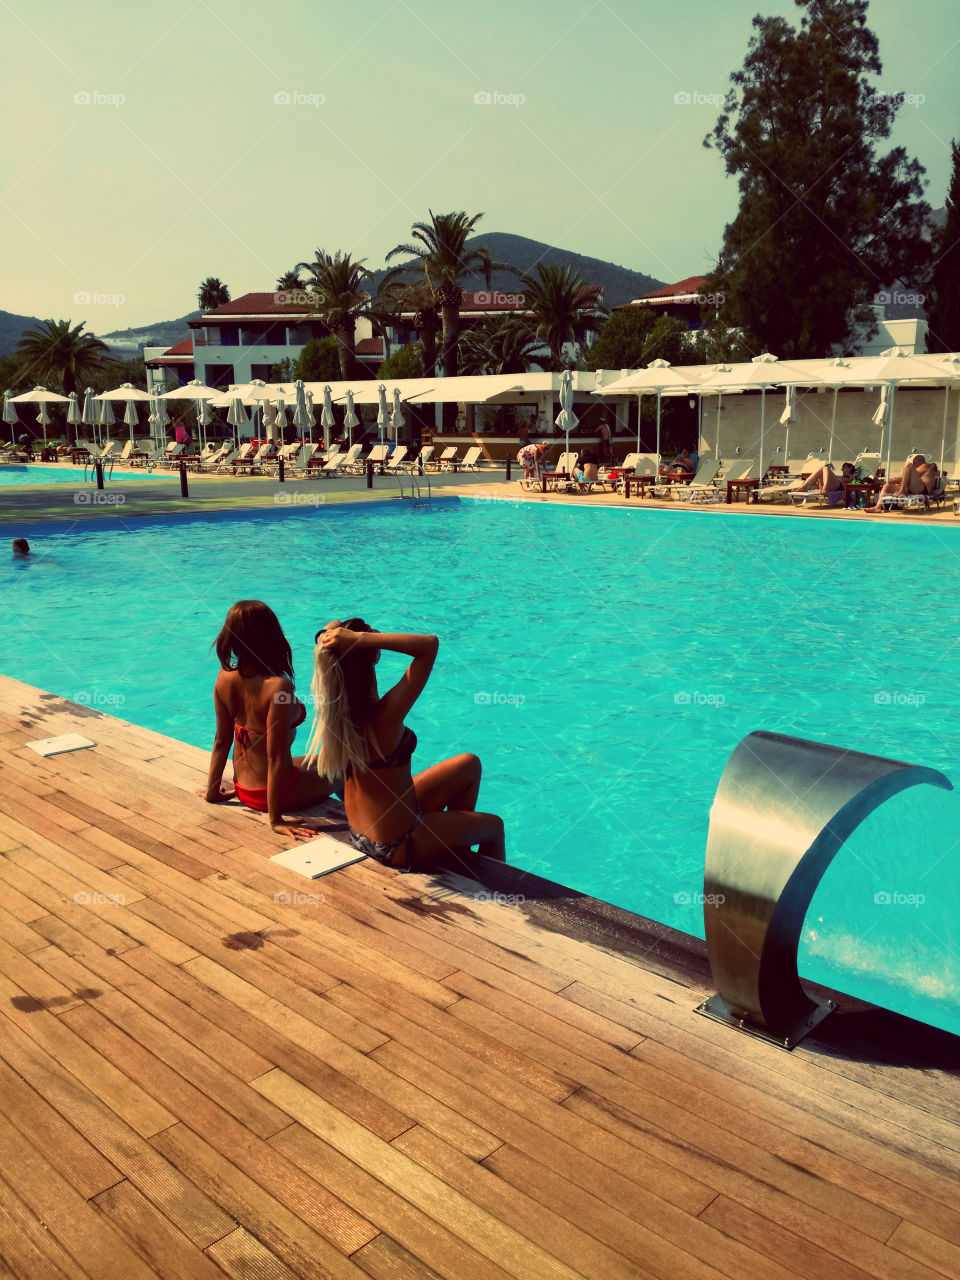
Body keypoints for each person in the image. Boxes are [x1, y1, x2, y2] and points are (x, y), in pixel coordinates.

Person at [307, 619, 505, 874]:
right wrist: (360, 638)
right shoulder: (382, 718)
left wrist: (337, 636)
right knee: (495, 827)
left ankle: (457, 853)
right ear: (374, 658)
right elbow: (429, 646)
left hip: (364, 832)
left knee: (469, 764)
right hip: (397, 845)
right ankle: (500, 897)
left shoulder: (335, 712)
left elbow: (328, 636)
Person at [199, 600, 332, 839]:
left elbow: (221, 740)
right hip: (273, 794)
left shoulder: (224, 677)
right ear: (272, 636)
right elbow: (275, 757)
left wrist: (212, 792)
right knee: (350, 763)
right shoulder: (279, 687)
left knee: (324, 759)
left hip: (243, 788)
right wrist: (276, 820)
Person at [862, 455, 939, 512]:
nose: (914, 465)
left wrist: (896, 481)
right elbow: (904, 479)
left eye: (915, 463)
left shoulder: (929, 466)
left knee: (908, 465)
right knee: (886, 486)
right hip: (912, 488)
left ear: (920, 461)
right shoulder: (915, 474)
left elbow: (903, 478)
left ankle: (901, 489)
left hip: (923, 489)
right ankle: (878, 507)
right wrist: (888, 482)